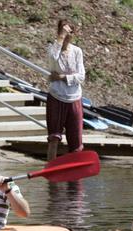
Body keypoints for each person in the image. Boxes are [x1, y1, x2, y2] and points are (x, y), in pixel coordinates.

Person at [46, 18, 86, 161]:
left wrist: (62, 77)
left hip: (74, 97)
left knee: (76, 138)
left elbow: (81, 76)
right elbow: (53, 59)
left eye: (69, 32)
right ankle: (51, 166)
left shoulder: (77, 51)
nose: (67, 35)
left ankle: (76, 170)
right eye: (63, 31)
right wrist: (61, 37)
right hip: (57, 96)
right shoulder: (53, 49)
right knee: (54, 137)